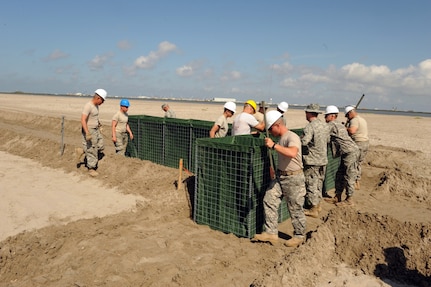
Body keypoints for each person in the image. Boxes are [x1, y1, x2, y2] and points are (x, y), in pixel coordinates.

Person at [252, 110, 307, 247]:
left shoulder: (291, 136)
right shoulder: (282, 138)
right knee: (269, 199)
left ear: (277, 125)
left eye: (270, 129)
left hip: (293, 178)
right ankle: (271, 232)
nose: (271, 132)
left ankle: (299, 235)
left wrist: (274, 146)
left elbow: (293, 153)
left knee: (295, 207)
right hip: (281, 176)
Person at [324, 105, 359, 206]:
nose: (325, 118)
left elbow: (323, 136)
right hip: (348, 152)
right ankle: (337, 196)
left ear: (332, 116)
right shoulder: (339, 124)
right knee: (340, 173)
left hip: (349, 152)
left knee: (349, 174)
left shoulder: (331, 125)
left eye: (326, 116)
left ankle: (349, 199)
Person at [301, 104, 330, 218]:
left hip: (312, 160)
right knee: (319, 183)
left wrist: (300, 138)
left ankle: (313, 209)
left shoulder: (310, 127)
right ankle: (318, 205)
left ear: (309, 113)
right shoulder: (324, 126)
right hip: (323, 159)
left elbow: (304, 142)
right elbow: (327, 140)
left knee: (311, 184)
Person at [80, 89, 107, 177]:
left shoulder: (96, 106)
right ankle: (91, 168)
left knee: (101, 144)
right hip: (89, 129)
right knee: (92, 148)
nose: (102, 103)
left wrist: (99, 125)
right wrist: (87, 132)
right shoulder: (88, 106)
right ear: (98, 98)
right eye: (102, 101)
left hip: (95, 129)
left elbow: (95, 117)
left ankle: (83, 151)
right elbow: (83, 119)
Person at [345, 106, 369, 190]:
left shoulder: (354, 120)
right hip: (365, 143)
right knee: (359, 163)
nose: (347, 117)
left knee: (354, 163)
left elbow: (352, 131)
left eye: (347, 115)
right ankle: (357, 181)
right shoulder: (362, 119)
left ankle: (355, 182)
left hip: (359, 143)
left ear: (350, 113)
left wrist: (345, 128)